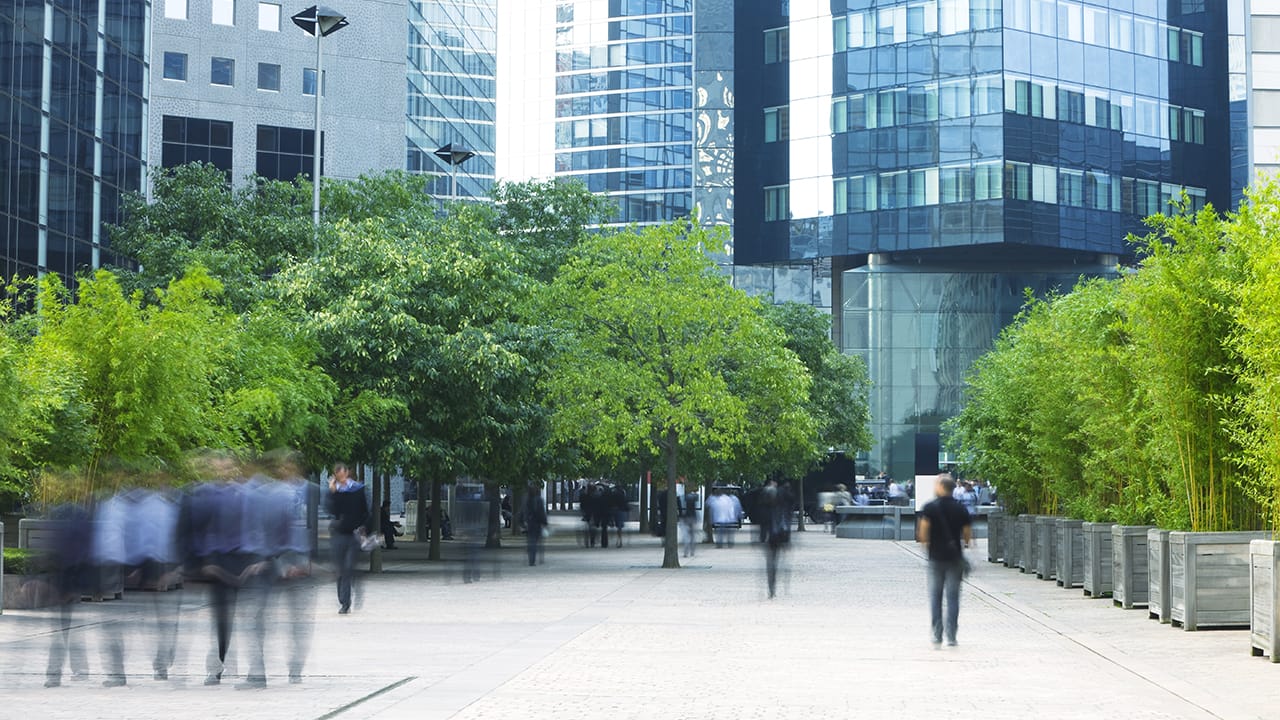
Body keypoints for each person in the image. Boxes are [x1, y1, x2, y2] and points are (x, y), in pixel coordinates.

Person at [917, 473, 973, 648]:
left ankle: (937, 634)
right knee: (953, 597)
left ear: (941, 487)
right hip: (955, 558)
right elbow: (967, 535)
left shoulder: (929, 508)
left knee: (936, 596)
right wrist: (962, 545)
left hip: (936, 558)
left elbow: (923, 533)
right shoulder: (961, 508)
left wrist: (928, 548)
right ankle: (952, 636)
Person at [326, 463, 369, 615]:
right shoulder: (333, 490)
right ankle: (344, 599)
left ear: (347, 473)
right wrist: (333, 492)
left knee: (348, 567)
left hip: (354, 534)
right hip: (338, 533)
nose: (340, 477)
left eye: (342, 473)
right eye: (337, 474)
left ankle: (346, 602)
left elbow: (364, 511)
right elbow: (332, 511)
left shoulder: (357, 489)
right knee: (341, 569)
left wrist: (363, 529)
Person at [523, 481, 548, 566]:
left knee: (531, 541)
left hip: (529, 523)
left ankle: (531, 559)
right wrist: (544, 522)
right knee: (536, 541)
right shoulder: (539, 500)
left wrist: (523, 522)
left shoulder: (527, 500)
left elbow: (523, 511)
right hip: (537, 524)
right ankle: (534, 558)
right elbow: (541, 512)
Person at [677, 485, 701, 558]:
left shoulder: (682, 498)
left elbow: (681, 509)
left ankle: (686, 552)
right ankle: (692, 551)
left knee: (686, 536)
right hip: (693, 518)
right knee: (692, 536)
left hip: (685, 518)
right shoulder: (694, 497)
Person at [608, 484, 629, 548]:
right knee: (620, 526)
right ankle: (619, 540)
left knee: (617, 524)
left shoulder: (614, 494)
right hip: (621, 510)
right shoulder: (622, 494)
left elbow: (611, 502)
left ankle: (619, 539)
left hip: (615, 510)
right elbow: (625, 502)